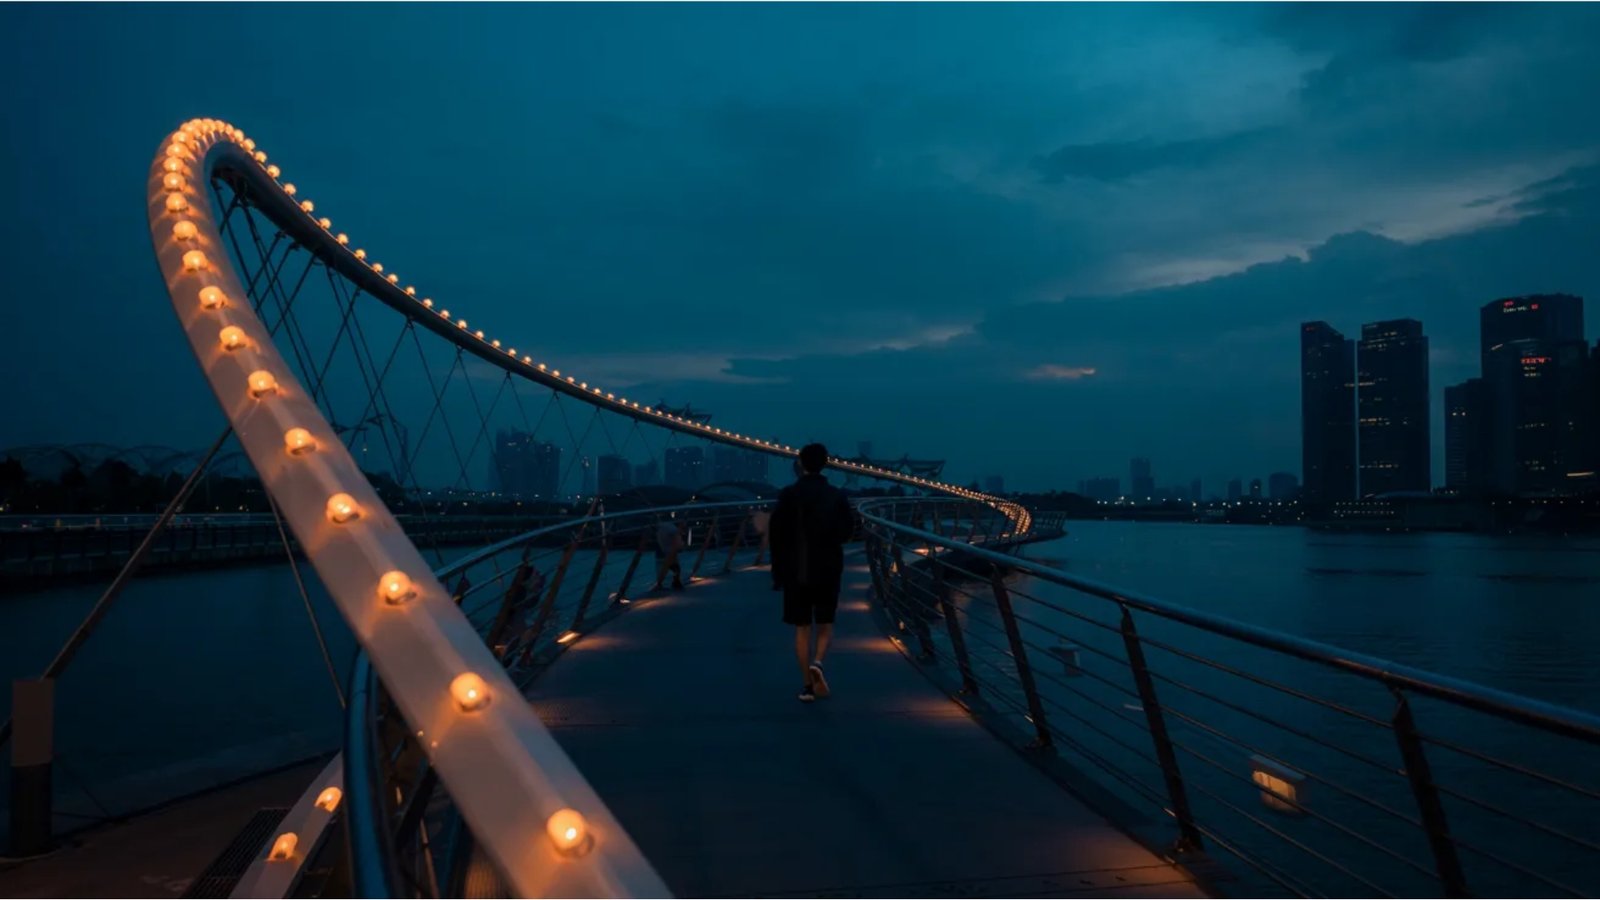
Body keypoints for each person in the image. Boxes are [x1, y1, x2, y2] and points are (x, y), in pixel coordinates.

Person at [769, 443, 854, 702]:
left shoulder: (788, 495)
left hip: (797, 570)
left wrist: (778, 573)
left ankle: (807, 686)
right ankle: (818, 661)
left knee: (802, 628)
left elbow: (777, 536)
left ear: (800, 464)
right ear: (826, 463)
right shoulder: (837, 496)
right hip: (828, 568)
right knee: (825, 624)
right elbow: (847, 534)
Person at [653, 514, 685, 591]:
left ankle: (661, 582)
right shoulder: (669, 527)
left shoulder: (663, 527)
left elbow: (675, 534)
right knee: (673, 564)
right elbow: (676, 534)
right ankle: (675, 581)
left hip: (669, 549)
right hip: (671, 548)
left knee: (668, 565)